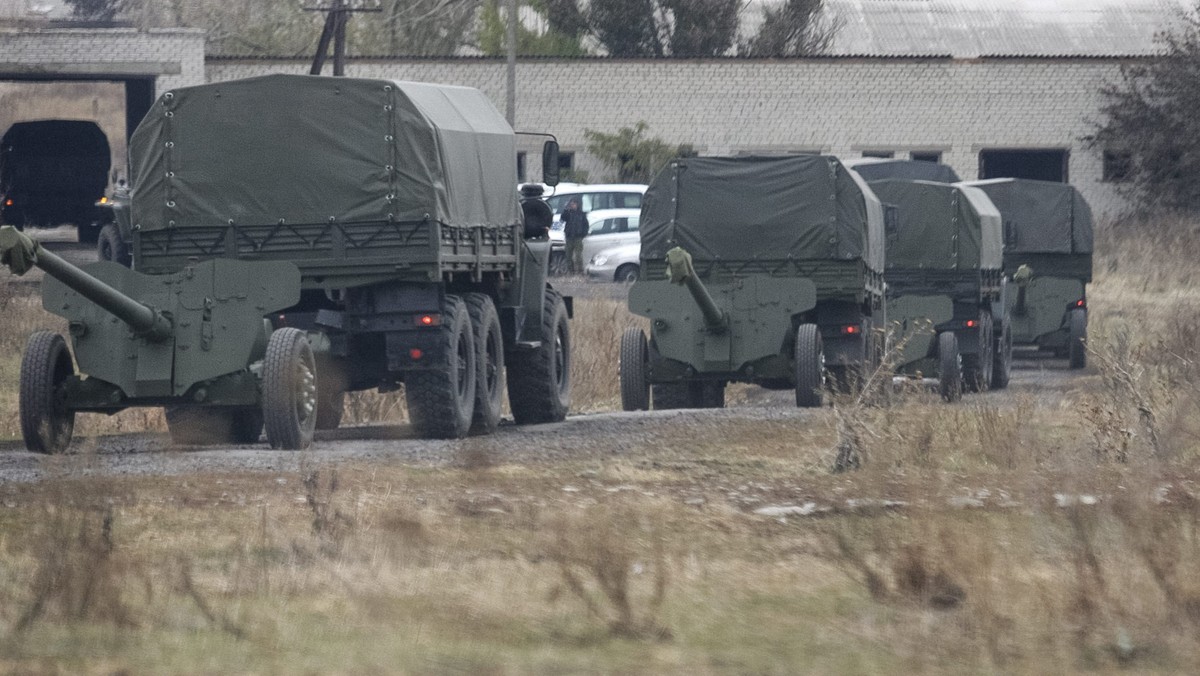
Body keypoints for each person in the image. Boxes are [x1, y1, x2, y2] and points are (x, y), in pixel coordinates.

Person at [561, 199, 588, 274]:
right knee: (568, 255)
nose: (572, 206)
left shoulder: (581, 214)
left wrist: (583, 234)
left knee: (578, 256)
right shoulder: (568, 213)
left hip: (578, 237)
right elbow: (563, 218)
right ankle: (571, 271)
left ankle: (580, 271)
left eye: (573, 204)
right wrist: (566, 210)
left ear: (577, 205)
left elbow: (586, 225)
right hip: (569, 237)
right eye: (571, 204)